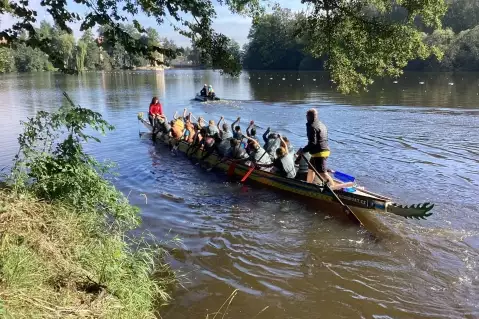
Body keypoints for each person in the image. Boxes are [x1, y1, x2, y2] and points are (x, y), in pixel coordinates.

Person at [297, 108, 334, 186]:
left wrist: (303, 150)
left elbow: (313, 143)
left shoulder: (311, 126)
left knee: (322, 173)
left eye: (306, 116)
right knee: (311, 169)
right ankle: (308, 185)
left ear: (308, 116)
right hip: (324, 150)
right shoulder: (322, 124)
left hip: (320, 153)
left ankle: (336, 188)